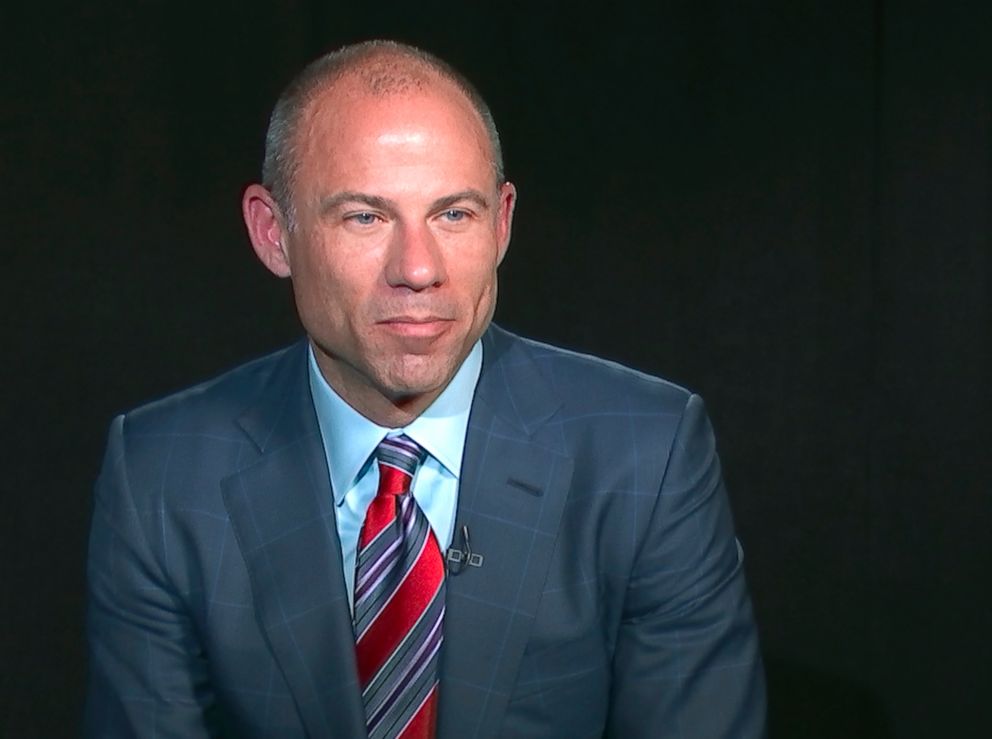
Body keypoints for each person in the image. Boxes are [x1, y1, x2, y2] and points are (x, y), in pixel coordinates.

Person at [84, 40, 766, 738]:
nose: (417, 269)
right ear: (273, 233)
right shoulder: (161, 474)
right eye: (365, 217)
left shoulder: (646, 454)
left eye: (453, 215)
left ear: (502, 223)